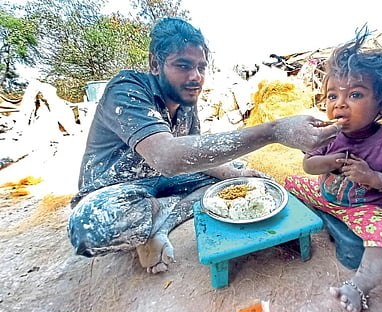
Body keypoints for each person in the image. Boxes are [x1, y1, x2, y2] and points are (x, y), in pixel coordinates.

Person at [67, 17, 340, 274]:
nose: (196, 76)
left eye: (201, 67)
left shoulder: (185, 103)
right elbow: (167, 157)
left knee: (250, 181)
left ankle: (155, 222)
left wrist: (234, 174)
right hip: (119, 190)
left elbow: (197, 157)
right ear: (154, 64)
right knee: (90, 226)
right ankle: (160, 215)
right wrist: (274, 131)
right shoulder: (126, 89)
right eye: (183, 65)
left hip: (166, 181)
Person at [284, 26, 382, 312]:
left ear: (381, 104)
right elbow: (308, 166)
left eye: (355, 94)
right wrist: (330, 160)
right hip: (321, 195)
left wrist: (375, 178)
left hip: (362, 208)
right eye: (333, 96)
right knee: (286, 183)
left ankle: (358, 287)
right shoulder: (326, 134)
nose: (339, 104)